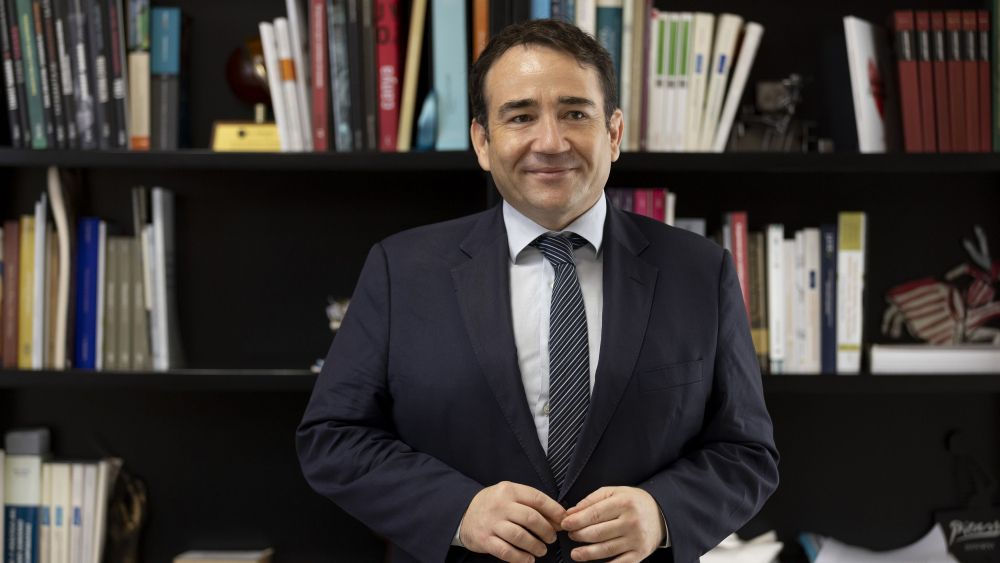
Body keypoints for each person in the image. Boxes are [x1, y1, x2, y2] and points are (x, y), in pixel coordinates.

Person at [297, 18, 778, 563]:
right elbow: (332, 437)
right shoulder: (401, 270)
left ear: (614, 133)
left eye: (575, 113)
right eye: (521, 116)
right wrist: (456, 511)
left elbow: (747, 453)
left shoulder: (701, 271)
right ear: (483, 142)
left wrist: (663, 512)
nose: (551, 142)